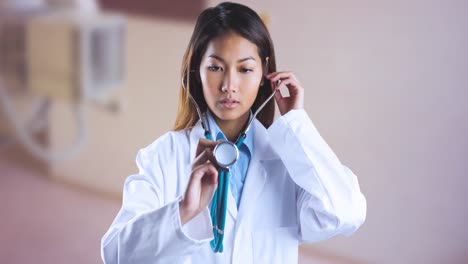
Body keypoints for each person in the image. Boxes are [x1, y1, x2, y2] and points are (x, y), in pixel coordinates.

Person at [101, 2, 366, 263]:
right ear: (197, 72)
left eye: (245, 69)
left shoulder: (290, 162)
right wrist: (184, 211)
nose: (229, 85)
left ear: (265, 72)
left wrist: (297, 125)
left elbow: (345, 213)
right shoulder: (163, 156)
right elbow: (116, 255)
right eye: (216, 67)